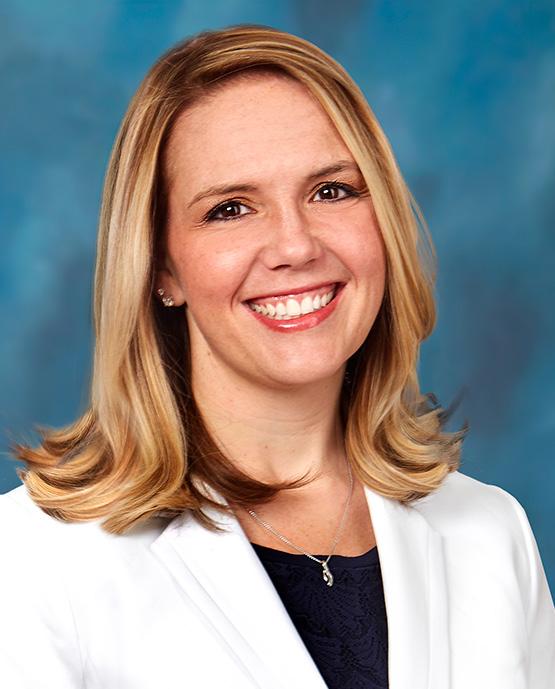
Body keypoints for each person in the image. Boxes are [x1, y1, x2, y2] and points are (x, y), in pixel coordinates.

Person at [0, 24, 553, 689]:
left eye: (331, 191)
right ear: (161, 268)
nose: (295, 245)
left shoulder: (490, 532)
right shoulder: (34, 561)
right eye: (231, 209)